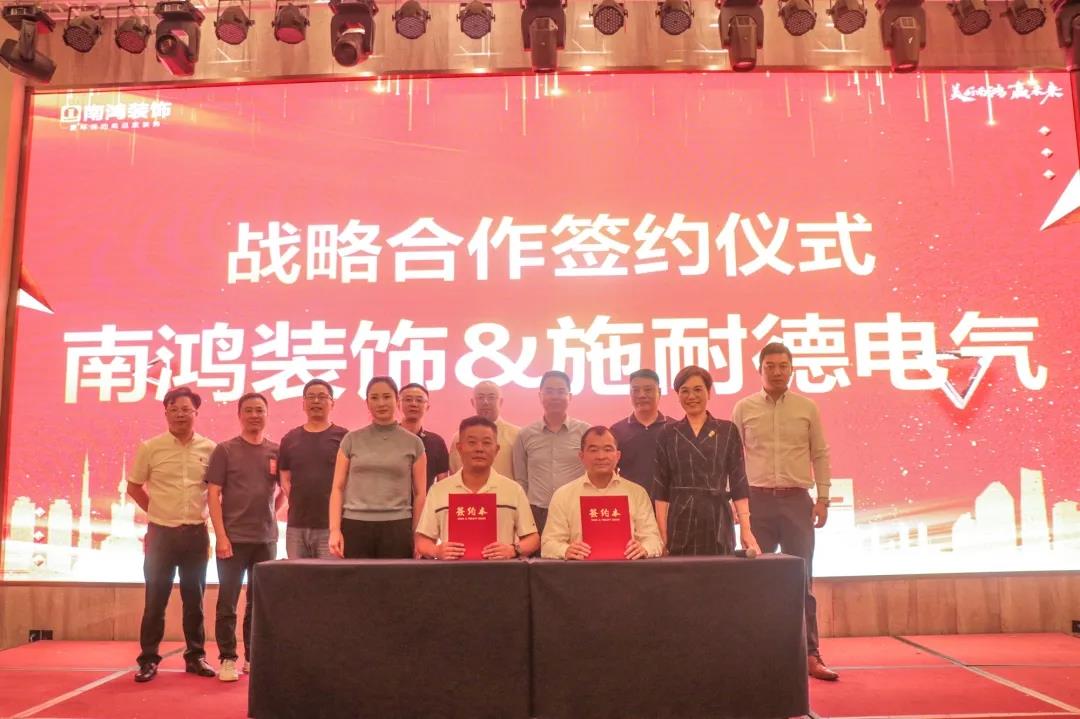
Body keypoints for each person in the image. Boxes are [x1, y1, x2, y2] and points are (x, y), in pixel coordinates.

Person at [732, 342, 837, 681]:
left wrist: (823, 498)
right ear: (759, 369)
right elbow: (732, 459)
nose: (776, 372)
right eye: (770, 366)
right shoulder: (743, 408)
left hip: (797, 502)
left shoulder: (807, 408)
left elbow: (820, 453)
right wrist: (734, 502)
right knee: (754, 581)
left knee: (801, 580)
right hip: (756, 503)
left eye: (782, 366)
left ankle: (810, 654)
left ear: (791, 369)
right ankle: (754, 653)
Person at [128, 386, 217, 683]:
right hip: (161, 536)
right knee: (155, 600)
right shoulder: (150, 448)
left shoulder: (210, 449)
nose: (180, 414)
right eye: (174, 409)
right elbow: (134, 486)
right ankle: (148, 659)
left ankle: (196, 656)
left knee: (195, 600)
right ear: (165, 412)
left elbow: (215, 491)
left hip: (195, 534)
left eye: (186, 409)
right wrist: (156, 511)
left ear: (196, 413)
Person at [206, 392, 282, 683]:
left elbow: (283, 491)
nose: (254, 415)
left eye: (259, 410)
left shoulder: (276, 451)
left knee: (258, 603)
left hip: (266, 540)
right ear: (239, 415)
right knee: (227, 601)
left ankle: (253, 656)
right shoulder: (225, 450)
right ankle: (227, 658)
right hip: (233, 540)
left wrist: (271, 515)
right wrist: (221, 536)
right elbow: (213, 494)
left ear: (267, 414)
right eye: (248, 410)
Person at [654, 366, 760, 557]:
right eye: (684, 391)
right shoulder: (667, 433)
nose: (691, 396)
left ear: (709, 392)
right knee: (680, 573)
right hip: (680, 517)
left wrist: (746, 528)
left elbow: (739, 483)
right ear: (678, 395)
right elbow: (661, 488)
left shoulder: (727, 430)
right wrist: (662, 534)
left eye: (698, 389)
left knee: (718, 572)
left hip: (717, 517)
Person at [328, 376, 427, 559]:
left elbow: (420, 493)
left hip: (397, 527)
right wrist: (335, 529)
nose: (381, 403)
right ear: (367, 403)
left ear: (397, 400)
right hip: (355, 526)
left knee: (395, 578)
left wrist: (417, 533)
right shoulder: (351, 440)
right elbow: (337, 488)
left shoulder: (414, 443)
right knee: (356, 578)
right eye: (374, 398)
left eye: (387, 397)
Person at [415, 416, 539, 560]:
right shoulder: (439, 491)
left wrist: (513, 549)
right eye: (472, 442)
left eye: (486, 443)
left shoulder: (513, 490)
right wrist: (436, 550)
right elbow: (422, 540)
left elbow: (533, 539)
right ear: (459, 448)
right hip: (452, 572)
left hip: (501, 571)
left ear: (496, 449)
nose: (479, 449)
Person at [541, 426, 663, 560]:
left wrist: (644, 548)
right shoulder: (563, 495)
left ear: (618, 456)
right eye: (593, 450)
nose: (601, 456)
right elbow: (548, 544)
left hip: (627, 569)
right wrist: (565, 550)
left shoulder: (637, 493)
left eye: (608, 449)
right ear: (581, 456)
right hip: (579, 569)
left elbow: (654, 540)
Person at [513, 370, 590, 534]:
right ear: (540, 396)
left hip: (575, 509)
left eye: (561, 392)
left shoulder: (585, 432)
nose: (555, 397)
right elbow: (521, 479)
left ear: (570, 396)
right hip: (536, 512)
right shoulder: (524, 434)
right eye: (549, 391)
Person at [279, 379, 348, 559]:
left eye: (322, 397)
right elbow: (285, 478)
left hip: (331, 527)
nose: (316, 401)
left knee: (330, 575)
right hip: (296, 526)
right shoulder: (290, 439)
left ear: (332, 403)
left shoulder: (344, 438)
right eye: (311, 397)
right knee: (297, 575)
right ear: (303, 404)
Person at [610, 369, 672, 500]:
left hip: (669, 504)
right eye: (636, 390)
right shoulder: (616, 430)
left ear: (659, 392)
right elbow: (610, 473)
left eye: (648, 390)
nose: (642, 395)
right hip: (631, 504)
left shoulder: (674, 428)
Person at [448, 380, 520, 480]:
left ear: (501, 402)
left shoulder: (517, 435)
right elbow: (453, 474)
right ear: (473, 402)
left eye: (491, 397)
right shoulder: (459, 437)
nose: (485, 402)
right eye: (480, 397)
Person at [399, 383, 450, 490]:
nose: (413, 404)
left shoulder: (436, 442)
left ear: (427, 407)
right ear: (398, 404)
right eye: (408, 399)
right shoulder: (388, 438)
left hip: (426, 500)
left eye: (419, 400)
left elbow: (443, 483)